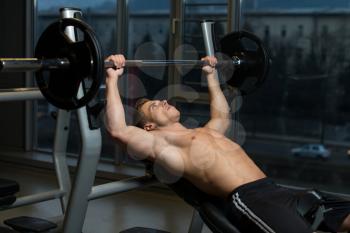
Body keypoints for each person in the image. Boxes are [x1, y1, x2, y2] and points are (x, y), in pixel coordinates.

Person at [104, 54, 350, 233]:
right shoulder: (162, 144)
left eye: (160, 100)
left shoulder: (204, 131)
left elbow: (221, 116)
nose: (163, 101)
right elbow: (118, 130)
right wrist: (113, 79)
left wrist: (210, 76)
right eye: (154, 106)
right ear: (148, 127)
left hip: (278, 190)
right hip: (251, 200)